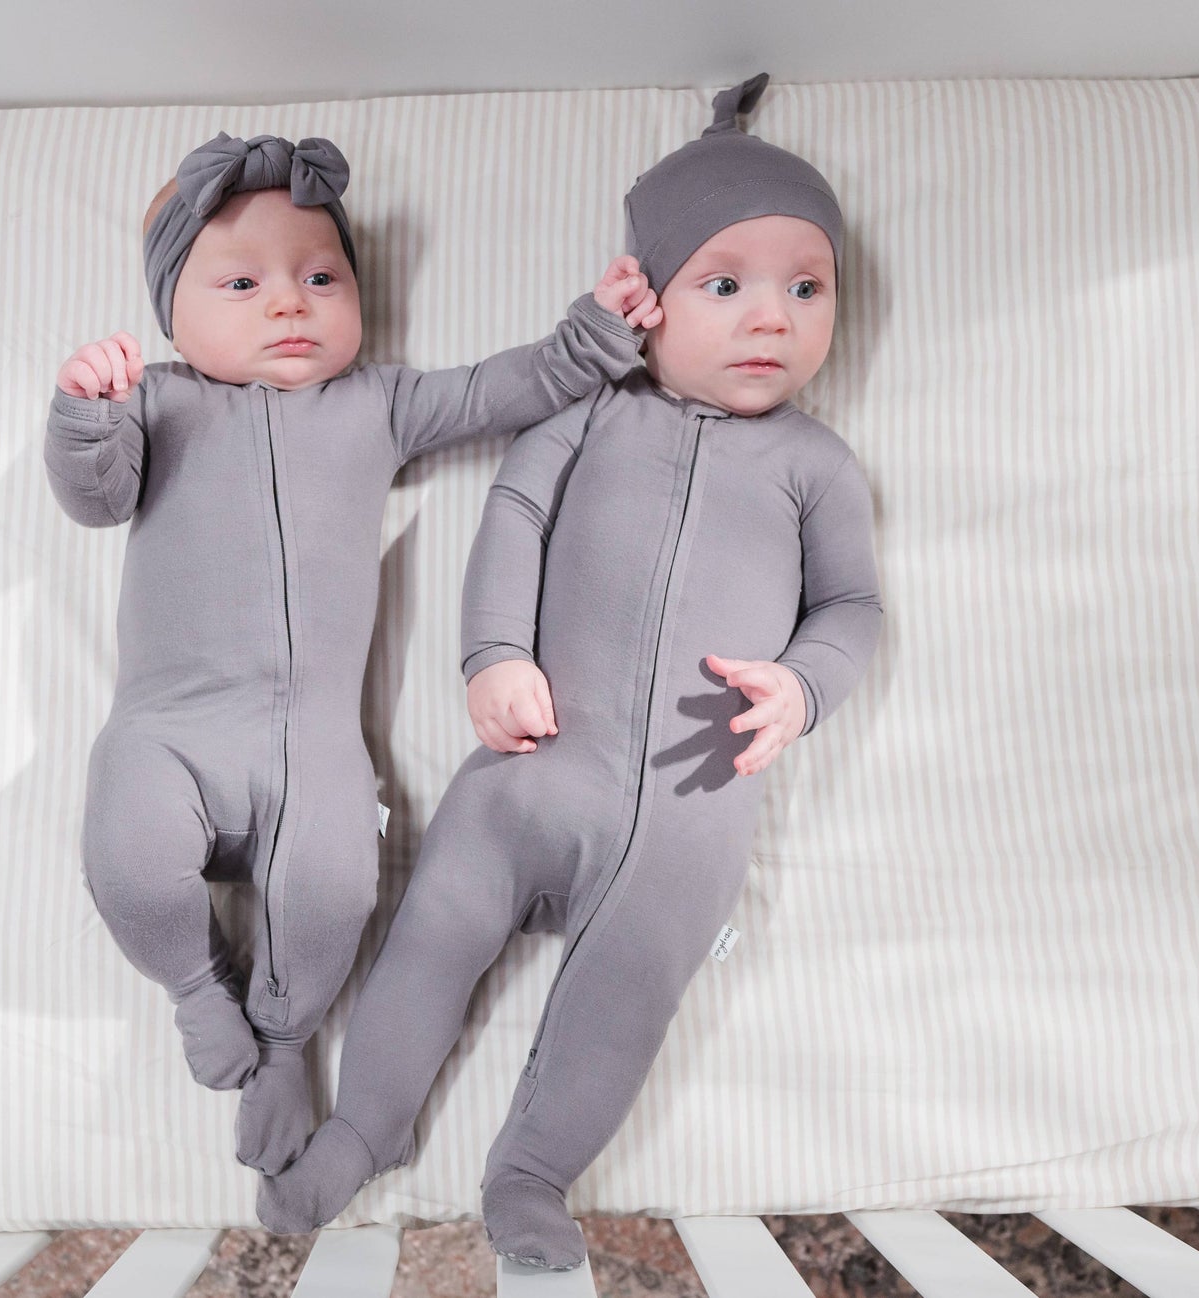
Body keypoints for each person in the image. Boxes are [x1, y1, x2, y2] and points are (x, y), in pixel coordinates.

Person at [257, 75, 883, 1269]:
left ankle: (531, 1171)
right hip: (533, 764)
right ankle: (363, 1127)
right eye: (725, 284)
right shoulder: (588, 412)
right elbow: (513, 518)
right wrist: (492, 654)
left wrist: (804, 686)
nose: (771, 317)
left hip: (693, 807)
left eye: (806, 288)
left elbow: (852, 607)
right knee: (433, 928)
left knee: (624, 1001)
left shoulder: (816, 466)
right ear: (646, 299)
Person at [44, 131, 658, 1175]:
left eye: (321, 278)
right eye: (242, 283)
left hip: (312, 742)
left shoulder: (378, 403)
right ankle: (199, 987)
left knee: (335, 891)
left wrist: (597, 329)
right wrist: (83, 413)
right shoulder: (158, 401)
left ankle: (284, 1042)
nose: (290, 303)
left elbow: (503, 389)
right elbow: (94, 500)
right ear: (171, 316)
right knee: (127, 861)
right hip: (166, 727)